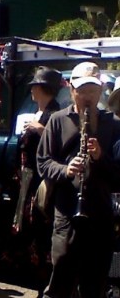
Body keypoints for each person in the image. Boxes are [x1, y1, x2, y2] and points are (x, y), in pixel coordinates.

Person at [37, 61, 120, 298]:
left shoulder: (113, 124)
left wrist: (100, 157)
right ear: (71, 89)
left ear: (102, 90)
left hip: (101, 211)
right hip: (66, 209)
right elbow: (43, 162)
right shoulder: (57, 120)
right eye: (82, 91)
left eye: (93, 91)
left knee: (95, 280)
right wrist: (66, 170)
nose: (87, 97)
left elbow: (119, 172)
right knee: (62, 270)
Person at [10, 66, 62, 294]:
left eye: (34, 86)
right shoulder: (41, 112)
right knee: (30, 229)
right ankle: (37, 278)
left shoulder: (54, 114)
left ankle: (46, 281)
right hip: (28, 180)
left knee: (41, 229)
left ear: (41, 88)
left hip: (42, 182)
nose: (32, 91)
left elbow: (58, 145)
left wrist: (40, 129)